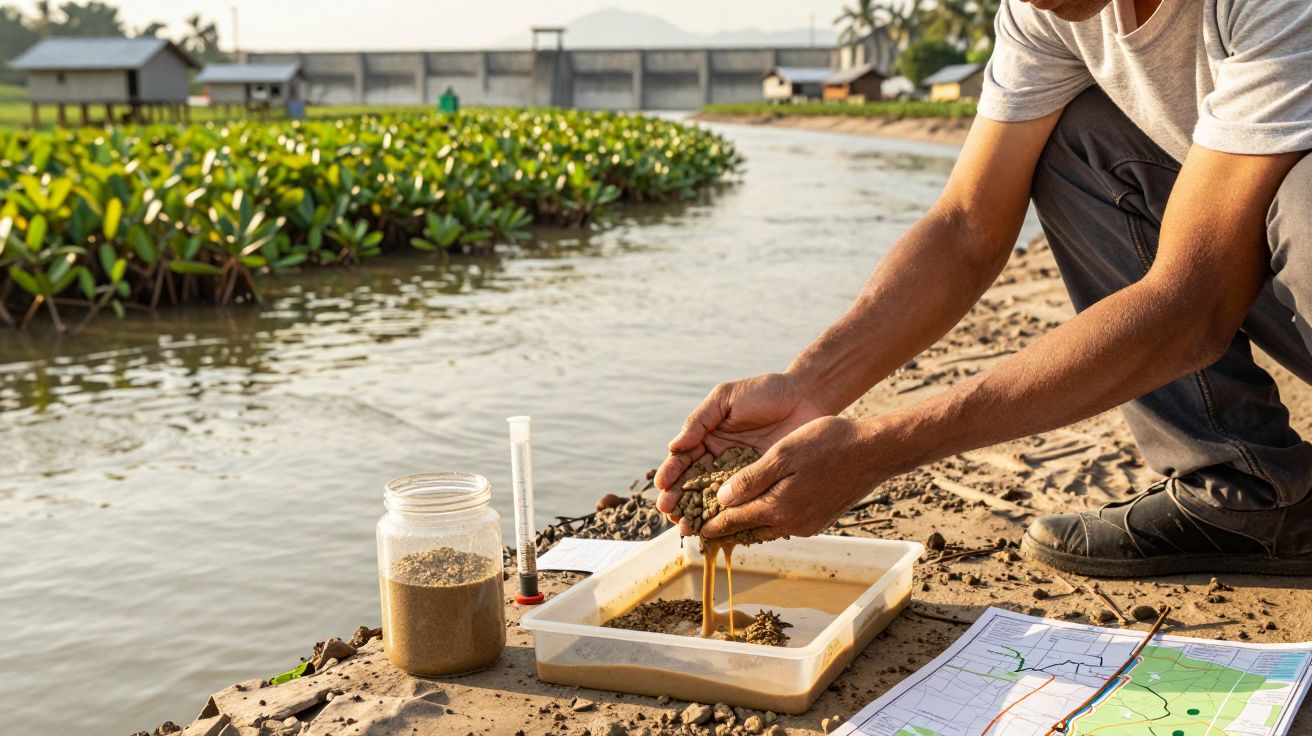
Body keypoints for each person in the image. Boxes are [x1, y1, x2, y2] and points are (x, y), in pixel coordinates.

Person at [655, 0, 1312, 577]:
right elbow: (967, 225)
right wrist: (810, 388)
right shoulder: (1046, 12)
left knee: (1303, 197)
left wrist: (883, 448)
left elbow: (1191, 302)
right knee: (1074, 137)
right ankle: (1245, 492)